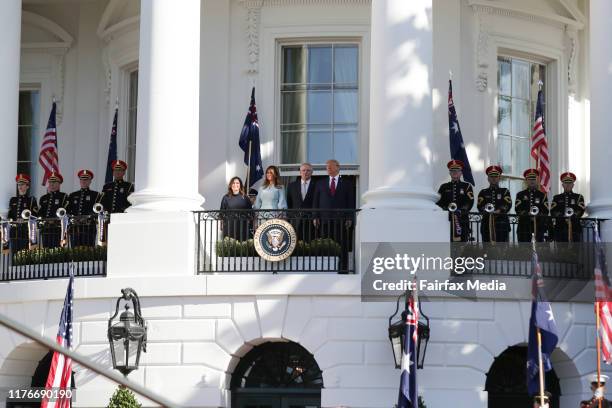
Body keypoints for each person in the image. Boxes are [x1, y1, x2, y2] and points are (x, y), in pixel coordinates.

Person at [313, 159, 356, 272]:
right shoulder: (320, 183)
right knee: (325, 246)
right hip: (324, 220)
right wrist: (315, 216)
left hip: (341, 221)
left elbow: (351, 202)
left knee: (342, 246)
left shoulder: (347, 183)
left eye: (331, 166)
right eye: (327, 167)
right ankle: (326, 269)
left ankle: (343, 269)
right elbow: (315, 202)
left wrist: (350, 218)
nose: (328, 168)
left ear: (337, 167)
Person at [436, 160, 474, 242]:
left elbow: (469, 201)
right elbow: (438, 202)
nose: (455, 172)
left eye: (457, 170)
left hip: (462, 219)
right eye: (452, 171)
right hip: (447, 220)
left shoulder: (466, 186)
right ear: (450, 173)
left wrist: (461, 210)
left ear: (461, 173)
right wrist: (445, 208)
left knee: (462, 244)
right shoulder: (444, 187)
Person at [66, 170, 102, 247]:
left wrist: (87, 218)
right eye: (82, 179)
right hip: (75, 228)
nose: (84, 181)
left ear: (90, 181)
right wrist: (72, 218)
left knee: (88, 250)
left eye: (86, 179)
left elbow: (97, 210)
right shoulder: (73, 195)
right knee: (75, 250)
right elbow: (67, 210)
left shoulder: (95, 195)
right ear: (79, 181)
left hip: (89, 227)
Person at [477, 165, 512, 242]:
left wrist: (499, 211)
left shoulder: (505, 191)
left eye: (496, 176)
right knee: (487, 250)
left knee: (502, 250)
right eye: (491, 176)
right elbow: (480, 206)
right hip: (487, 225)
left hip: (502, 224)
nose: (493, 178)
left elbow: (508, 204)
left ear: (499, 178)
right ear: (488, 178)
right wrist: (487, 211)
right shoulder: (483, 192)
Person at [515, 168, 549, 242]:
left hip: (539, 226)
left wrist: (537, 216)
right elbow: (518, 209)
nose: (532, 181)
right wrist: (527, 214)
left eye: (533, 179)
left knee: (539, 249)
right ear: (526, 180)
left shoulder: (542, 195)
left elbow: (546, 211)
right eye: (529, 179)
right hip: (524, 226)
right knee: (524, 249)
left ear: (537, 180)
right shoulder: (520, 194)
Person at [550, 172, 585, 243]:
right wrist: (563, 216)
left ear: (573, 185)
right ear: (562, 185)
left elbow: (580, 210)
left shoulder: (579, 197)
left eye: (570, 183)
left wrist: (571, 216)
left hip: (575, 228)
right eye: (566, 183)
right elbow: (553, 211)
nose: (568, 185)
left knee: (575, 251)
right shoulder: (557, 197)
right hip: (560, 228)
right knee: (561, 251)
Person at [8, 174, 39, 252]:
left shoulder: (31, 200)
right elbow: (10, 215)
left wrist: (25, 220)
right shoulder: (13, 200)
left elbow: (35, 215)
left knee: (25, 253)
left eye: (22, 184)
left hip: (25, 231)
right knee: (14, 253)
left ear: (27, 186)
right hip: (14, 231)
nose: (20, 186)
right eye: (19, 184)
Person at [287, 162, 316, 241]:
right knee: (295, 244)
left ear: (312, 172)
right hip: (295, 220)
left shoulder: (317, 185)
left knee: (310, 244)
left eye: (308, 170)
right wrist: (290, 218)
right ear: (300, 172)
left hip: (311, 221)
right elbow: (289, 203)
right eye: (303, 170)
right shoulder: (291, 186)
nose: (305, 172)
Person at [38, 172, 68, 248]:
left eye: (54, 182)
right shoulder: (43, 198)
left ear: (59, 183)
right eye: (50, 182)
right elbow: (40, 212)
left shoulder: (63, 196)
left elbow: (65, 210)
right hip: (46, 228)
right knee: (46, 249)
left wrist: (54, 219)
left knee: (57, 249)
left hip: (57, 228)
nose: (51, 184)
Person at [220, 176, 252, 241]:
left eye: (237, 183)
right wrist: (221, 224)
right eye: (233, 183)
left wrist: (252, 225)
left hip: (242, 226)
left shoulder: (245, 198)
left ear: (240, 185)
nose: (235, 185)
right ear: (231, 185)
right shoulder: (226, 198)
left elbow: (251, 213)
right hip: (229, 226)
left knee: (242, 246)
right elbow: (222, 212)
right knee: (230, 246)